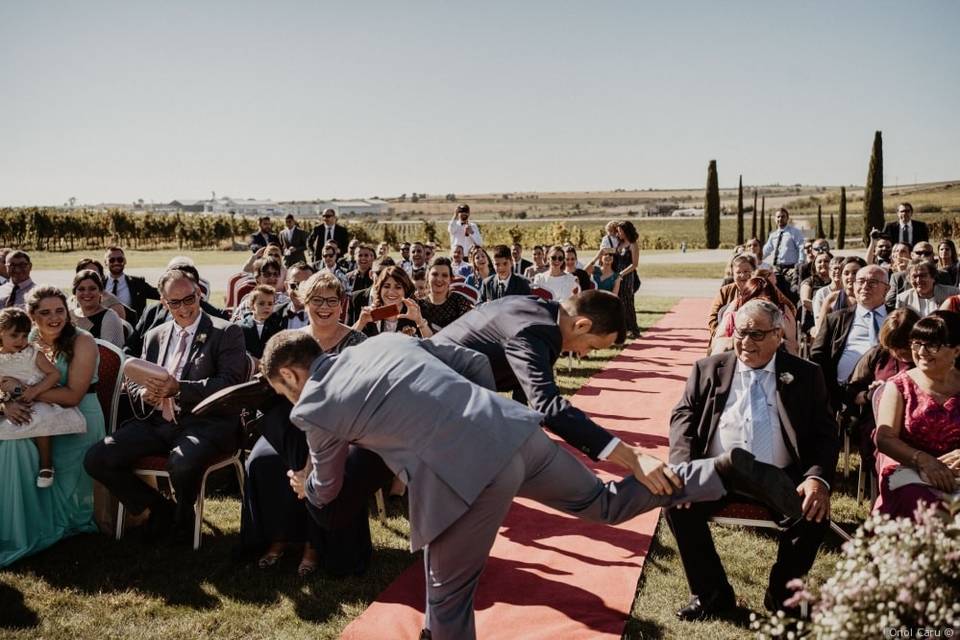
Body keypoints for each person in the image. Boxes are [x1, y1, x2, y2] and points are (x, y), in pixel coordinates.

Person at [264, 329, 803, 640]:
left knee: (447, 600)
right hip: (514, 429)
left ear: (289, 377)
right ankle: (721, 471)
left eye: (281, 391)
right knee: (606, 502)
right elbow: (472, 360)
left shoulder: (311, 406)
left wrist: (303, 486)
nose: (289, 400)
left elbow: (328, 489)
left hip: (466, 475)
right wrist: (472, 415)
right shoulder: (384, 340)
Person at [668, 299, 839, 619]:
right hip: (715, 473)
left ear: (778, 335)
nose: (746, 342)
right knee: (676, 504)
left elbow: (825, 434)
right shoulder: (709, 368)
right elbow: (683, 419)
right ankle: (712, 596)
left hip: (781, 474)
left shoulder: (806, 374)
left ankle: (782, 596)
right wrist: (683, 470)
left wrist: (816, 478)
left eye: (757, 335)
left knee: (814, 514)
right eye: (740, 333)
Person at [84, 270, 247, 544]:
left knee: (182, 463)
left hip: (205, 423)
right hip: (156, 422)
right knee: (98, 458)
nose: (184, 308)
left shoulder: (226, 331)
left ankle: (183, 518)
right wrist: (144, 393)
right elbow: (134, 380)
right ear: (163, 303)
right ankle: (161, 509)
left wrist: (179, 388)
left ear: (199, 294)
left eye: (189, 299)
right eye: (175, 302)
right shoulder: (155, 335)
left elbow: (229, 383)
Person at [432, 290, 664, 477]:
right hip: (428, 391)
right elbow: (548, 406)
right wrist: (632, 457)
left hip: (447, 389)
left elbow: (528, 394)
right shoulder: (535, 331)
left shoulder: (537, 309)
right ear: (581, 325)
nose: (584, 355)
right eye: (591, 346)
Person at [241, 270, 382, 577]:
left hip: (342, 429)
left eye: (332, 299)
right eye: (317, 299)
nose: (324, 306)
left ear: (342, 304)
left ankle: (315, 544)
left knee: (310, 460)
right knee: (261, 461)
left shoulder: (357, 341)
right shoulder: (293, 341)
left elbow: (358, 397)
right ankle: (277, 538)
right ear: (304, 302)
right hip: (292, 424)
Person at [0, 287, 105, 567]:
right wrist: (5, 401)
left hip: (79, 418)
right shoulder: (27, 339)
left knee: (69, 508)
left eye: (59, 310)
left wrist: (21, 390)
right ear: (32, 316)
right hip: (39, 418)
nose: (54, 317)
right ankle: (20, 522)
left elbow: (72, 396)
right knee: (13, 447)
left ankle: (46, 524)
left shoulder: (83, 342)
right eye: (45, 312)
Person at [874, 311, 960, 519]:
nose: (921, 351)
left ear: (956, 350)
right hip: (910, 467)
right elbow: (884, 438)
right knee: (928, 506)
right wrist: (923, 460)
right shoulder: (899, 385)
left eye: (932, 345)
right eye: (916, 343)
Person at [0, 308, 86, 487]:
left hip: (38, 397)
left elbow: (53, 374)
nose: (21, 341)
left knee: (41, 420)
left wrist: (35, 391)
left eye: (24, 335)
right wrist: (5, 401)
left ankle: (46, 465)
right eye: (14, 335)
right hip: (10, 401)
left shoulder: (33, 353)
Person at [844, 308, 919, 490]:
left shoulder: (927, 357)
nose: (900, 353)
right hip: (881, 422)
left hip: (919, 422)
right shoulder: (878, 355)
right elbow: (851, 391)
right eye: (894, 348)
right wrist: (872, 395)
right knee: (881, 441)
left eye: (905, 347)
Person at [811, 264, 891, 412]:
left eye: (872, 282)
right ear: (854, 286)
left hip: (888, 394)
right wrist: (834, 392)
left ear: (886, 289)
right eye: (860, 281)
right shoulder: (835, 319)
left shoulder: (897, 319)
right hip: (843, 396)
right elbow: (817, 356)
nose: (865, 286)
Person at [712, 276, 798, 356]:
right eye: (755, 300)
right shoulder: (735, 308)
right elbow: (717, 342)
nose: (759, 305)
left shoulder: (782, 312)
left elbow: (792, 345)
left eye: (764, 300)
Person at [353, 266, 427, 337]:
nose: (391, 292)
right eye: (386, 286)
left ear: (405, 290)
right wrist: (361, 322)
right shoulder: (372, 313)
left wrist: (420, 322)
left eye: (398, 287)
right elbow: (345, 345)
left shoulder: (417, 309)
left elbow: (434, 345)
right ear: (380, 289)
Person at [707, 254, 758, 346]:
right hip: (725, 341)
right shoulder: (724, 291)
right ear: (733, 275)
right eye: (738, 272)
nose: (743, 275)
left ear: (753, 272)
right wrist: (721, 338)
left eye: (746, 271)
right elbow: (712, 319)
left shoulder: (761, 290)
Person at [102, 246, 161, 323]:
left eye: (120, 259)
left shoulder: (138, 283)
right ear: (105, 262)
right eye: (112, 260)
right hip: (104, 328)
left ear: (125, 261)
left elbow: (161, 294)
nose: (116, 263)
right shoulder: (98, 284)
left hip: (133, 330)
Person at [419, 257, 474, 335]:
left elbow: (468, 332)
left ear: (450, 279)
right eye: (435, 274)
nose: (439, 279)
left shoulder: (459, 301)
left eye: (444, 275)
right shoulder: (419, 305)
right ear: (427, 277)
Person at [70, 270, 125, 347]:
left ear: (100, 291)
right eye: (81, 289)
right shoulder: (69, 315)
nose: (86, 293)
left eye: (92, 288)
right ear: (74, 293)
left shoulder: (110, 317)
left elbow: (112, 355)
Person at [261, 263, 316, 341]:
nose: (299, 290)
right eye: (294, 285)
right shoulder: (273, 315)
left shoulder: (323, 316)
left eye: (306, 285)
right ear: (286, 286)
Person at [814, 256, 865, 335]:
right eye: (846, 273)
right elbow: (820, 331)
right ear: (841, 276)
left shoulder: (870, 298)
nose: (850, 277)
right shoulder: (832, 299)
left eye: (855, 273)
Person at [230, 257, 289, 322]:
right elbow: (234, 323)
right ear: (257, 277)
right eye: (267, 274)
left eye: (276, 274)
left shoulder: (286, 302)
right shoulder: (248, 301)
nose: (272, 277)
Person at [615, 221, 640, 338]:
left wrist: (622, 274)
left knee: (627, 302)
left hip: (627, 276)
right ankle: (623, 328)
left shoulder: (633, 245)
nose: (618, 233)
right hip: (617, 276)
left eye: (620, 230)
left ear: (626, 231)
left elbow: (634, 264)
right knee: (618, 302)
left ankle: (633, 329)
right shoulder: (619, 244)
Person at [762, 208, 805, 273]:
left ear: (787, 218)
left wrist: (800, 264)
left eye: (783, 216)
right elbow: (766, 250)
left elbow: (801, 248)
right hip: (776, 268)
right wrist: (756, 260)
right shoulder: (773, 235)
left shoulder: (795, 232)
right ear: (775, 219)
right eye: (778, 217)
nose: (780, 219)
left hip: (791, 269)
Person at [239, 285, 276, 359]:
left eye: (270, 304)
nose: (267, 307)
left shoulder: (276, 326)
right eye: (261, 303)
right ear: (252, 306)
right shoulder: (241, 326)